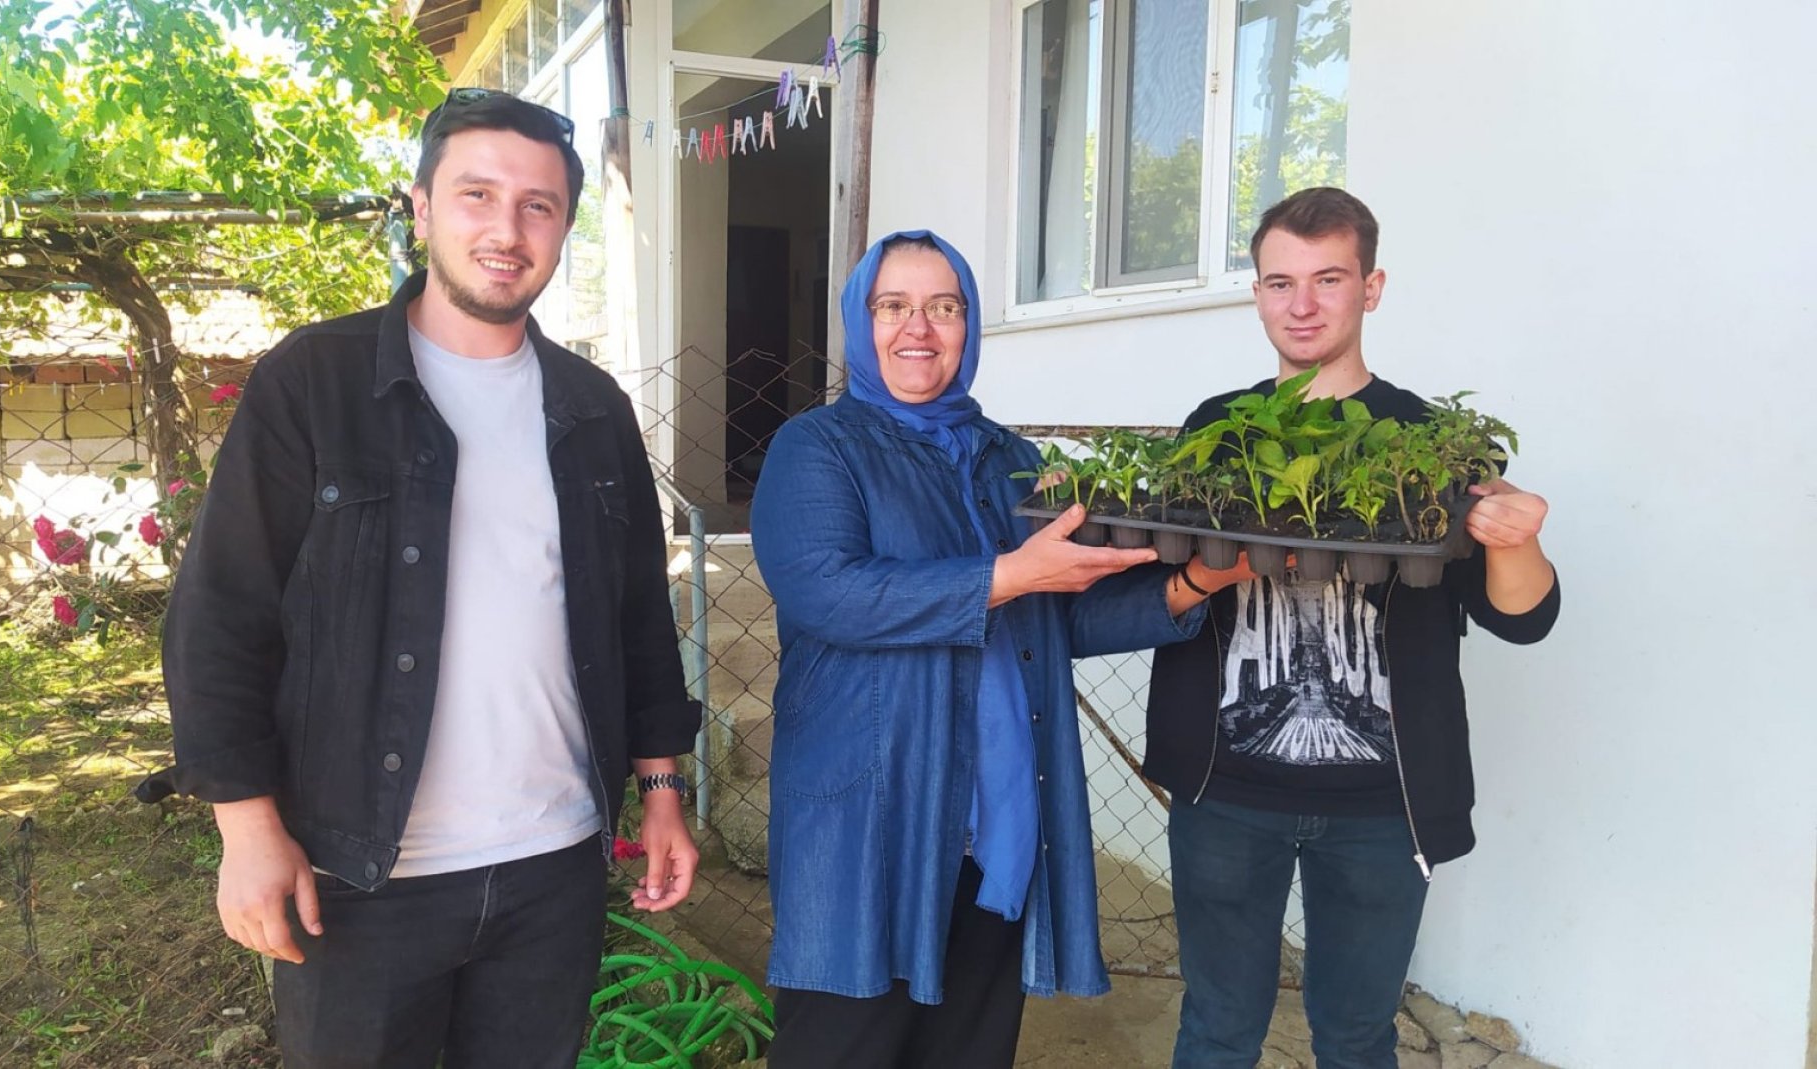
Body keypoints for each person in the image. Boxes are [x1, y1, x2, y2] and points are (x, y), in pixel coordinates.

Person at [134, 89, 702, 1068]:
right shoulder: (313, 381)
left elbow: (638, 620)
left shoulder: (590, 407)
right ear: (423, 208)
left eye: (539, 205)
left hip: (551, 867)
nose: (508, 228)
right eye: (477, 194)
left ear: (564, 226)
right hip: (362, 874)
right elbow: (221, 616)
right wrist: (245, 826)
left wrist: (659, 790)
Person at [750, 230, 1231, 1069]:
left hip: (997, 819)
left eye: (945, 307)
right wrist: (1007, 573)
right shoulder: (819, 447)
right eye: (893, 306)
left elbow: (1048, 618)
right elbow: (829, 592)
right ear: (862, 322)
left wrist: (1189, 588)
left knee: (968, 1047)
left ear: (969, 326)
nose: (919, 329)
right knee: (844, 1044)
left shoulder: (1008, 458)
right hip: (873, 816)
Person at [1146, 187, 1560, 1069]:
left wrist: (1518, 540)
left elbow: (1520, 619)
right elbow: (1167, 593)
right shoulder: (1217, 432)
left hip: (1384, 802)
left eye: (1328, 278)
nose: (1301, 304)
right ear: (1257, 293)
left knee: (1358, 1034)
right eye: (1279, 282)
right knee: (1217, 1029)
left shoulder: (1435, 441)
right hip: (1227, 793)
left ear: (1371, 288)